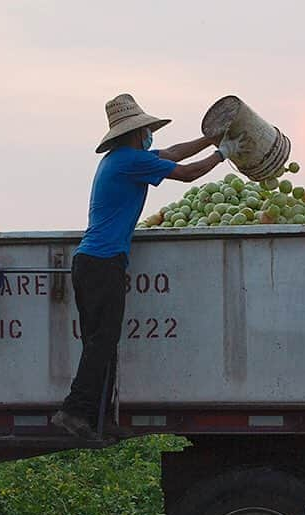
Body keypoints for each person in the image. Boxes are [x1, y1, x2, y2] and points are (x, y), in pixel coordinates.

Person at [52, 94, 247, 440]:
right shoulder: (128, 160)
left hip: (94, 261)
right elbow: (186, 173)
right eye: (146, 131)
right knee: (102, 341)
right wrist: (222, 154)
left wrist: (210, 138)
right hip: (102, 262)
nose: (149, 137)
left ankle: (96, 416)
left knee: (103, 342)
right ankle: (73, 411)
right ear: (135, 134)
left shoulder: (124, 158)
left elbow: (172, 154)